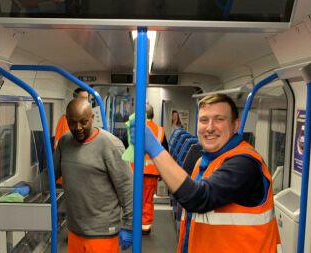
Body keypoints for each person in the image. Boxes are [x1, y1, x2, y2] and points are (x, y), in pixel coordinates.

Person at [131, 94, 281, 252]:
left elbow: (198, 198)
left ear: (236, 125)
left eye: (219, 119)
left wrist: (154, 148)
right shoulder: (204, 162)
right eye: (204, 120)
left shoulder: (245, 163)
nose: (210, 127)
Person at [54, 98, 133, 252]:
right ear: (67, 119)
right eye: (73, 123)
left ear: (93, 118)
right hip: (75, 231)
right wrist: (29, 186)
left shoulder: (110, 145)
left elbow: (127, 187)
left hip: (102, 234)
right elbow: (51, 174)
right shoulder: (64, 142)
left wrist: (129, 225)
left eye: (83, 122)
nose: (78, 128)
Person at [131, 104, 169, 235]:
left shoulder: (134, 128)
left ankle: (133, 223)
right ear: (152, 115)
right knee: (147, 199)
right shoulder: (160, 130)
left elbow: (126, 150)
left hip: (135, 171)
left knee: (135, 198)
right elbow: (165, 153)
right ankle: (145, 226)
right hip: (152, 172)